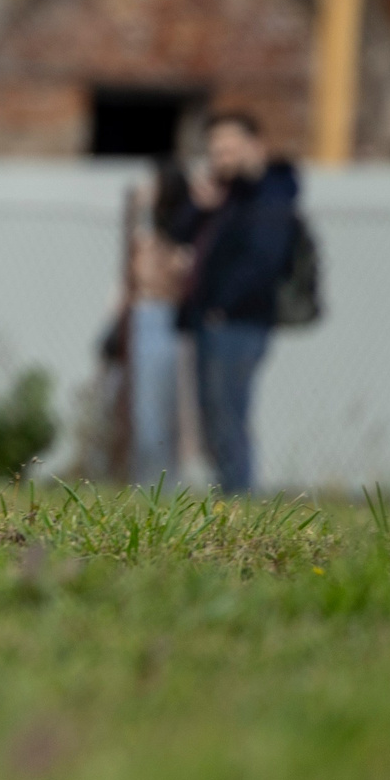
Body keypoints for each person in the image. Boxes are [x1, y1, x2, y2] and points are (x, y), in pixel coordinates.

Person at [167, 112, 298, 495]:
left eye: (230, 149)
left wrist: (222, 305)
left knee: (229, 413)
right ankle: (227, 490)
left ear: (254, 147)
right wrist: (200, 204)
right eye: (216, 151)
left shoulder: (269, 195)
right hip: (209, 320)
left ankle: (238, 496)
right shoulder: (222, 196)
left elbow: (263, 260)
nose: (221, 158)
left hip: (239, 321)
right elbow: (179, 233)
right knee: (211, 414)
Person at [126, 164, 194, 487]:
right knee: (139, 412)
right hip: (141, 319)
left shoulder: (180, 239)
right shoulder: (141, 235)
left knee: (163, 413)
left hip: (166, 321)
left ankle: (164, 487)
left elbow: (175, 280)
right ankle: (142, 483)